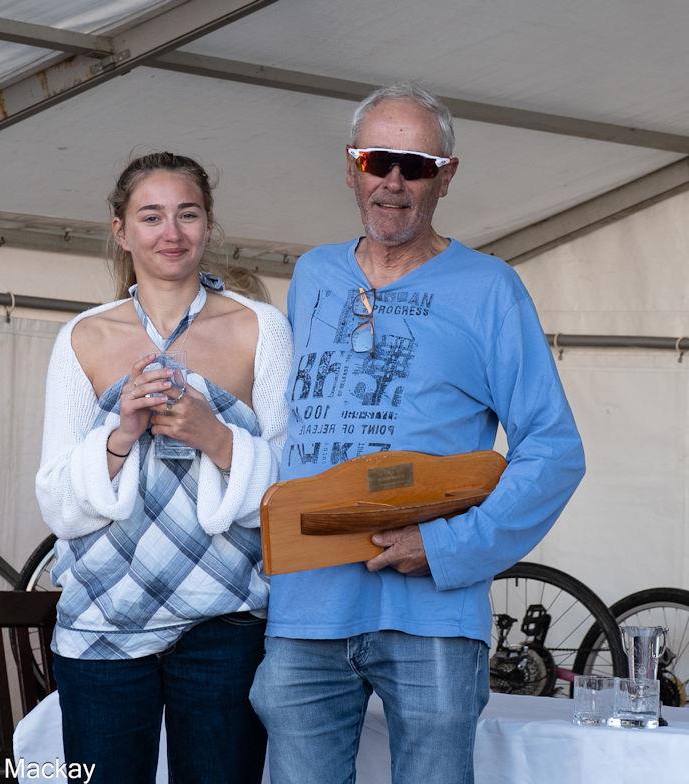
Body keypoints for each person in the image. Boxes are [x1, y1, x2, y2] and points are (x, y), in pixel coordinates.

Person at [249, 83, 586, 783]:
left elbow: (554, 449)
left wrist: (447, 546)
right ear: (352, 167)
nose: (394, 181)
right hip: (307, 610)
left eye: (417, 165)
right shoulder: (312, 275)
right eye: (378, 160)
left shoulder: (490, 287)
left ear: (447, 176)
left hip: (431, 617)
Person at [35, 151, 292, 784]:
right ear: (121, 231)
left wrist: (217, 438)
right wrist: (120, 436)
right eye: (151, 217)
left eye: (187, 214)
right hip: (102, 622)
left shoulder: (260, 328)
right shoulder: (82, 338)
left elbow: (294, 487)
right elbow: (57, 500)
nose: (171, 233)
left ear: (209, 224)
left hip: (226, 620)